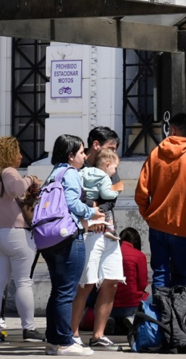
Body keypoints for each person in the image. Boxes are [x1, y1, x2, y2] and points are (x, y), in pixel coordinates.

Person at [42, 134, 108, 357]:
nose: (84, 156)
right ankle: (64, 341)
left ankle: (53, 341)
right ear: (71, 156)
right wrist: (93, 213)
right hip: (67, 236)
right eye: (81, 152)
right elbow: (71, 203)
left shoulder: (54, 173)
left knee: (58, 291)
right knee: (66, 292)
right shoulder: (70, 173)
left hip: (49, 238)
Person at [0, 136, 43, 342]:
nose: (20, 156)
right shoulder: (8, 171)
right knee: (24, 282)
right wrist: (31, 179)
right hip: (16, 233)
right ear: (9, 154)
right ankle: (29, 329)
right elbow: (17, 189)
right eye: (17, 152)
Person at [70, 127, 125, 349]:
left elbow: (115, 195)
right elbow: (74, 197)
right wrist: (92, 211)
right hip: (88, 231)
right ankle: (72, 333)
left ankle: (98, 334)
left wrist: (99, 209)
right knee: (86, 283)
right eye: (110, 148)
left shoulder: (110, 166)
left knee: (111, 281)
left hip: (110, 231)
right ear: (96, 145)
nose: (113, 154)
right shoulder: (79, 166)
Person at [134, 113, 186, 289]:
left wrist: (148, 215)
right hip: (184, 227)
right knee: (181, 277)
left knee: (160, 274)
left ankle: (161, 315)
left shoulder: (155, 153)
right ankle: (177, 315)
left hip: (157, 225)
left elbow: (141, 193)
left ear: (172, 130)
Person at [112, 228, 150, 332]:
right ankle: (132, 318)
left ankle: (109, 319)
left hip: (109, 305)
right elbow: (143, 284)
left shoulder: (110, 252)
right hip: (132, 305)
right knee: (151, 301)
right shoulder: (139, 255)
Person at [80, 148, 121, 238]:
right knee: (108, 212)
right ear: (107, 165)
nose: (115, 171)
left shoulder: (85, 170)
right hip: (95, 200)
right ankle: (110, 230)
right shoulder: (105, 177)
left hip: (84, 202)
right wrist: (116, 192)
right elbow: (105, 194)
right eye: (115, 168)